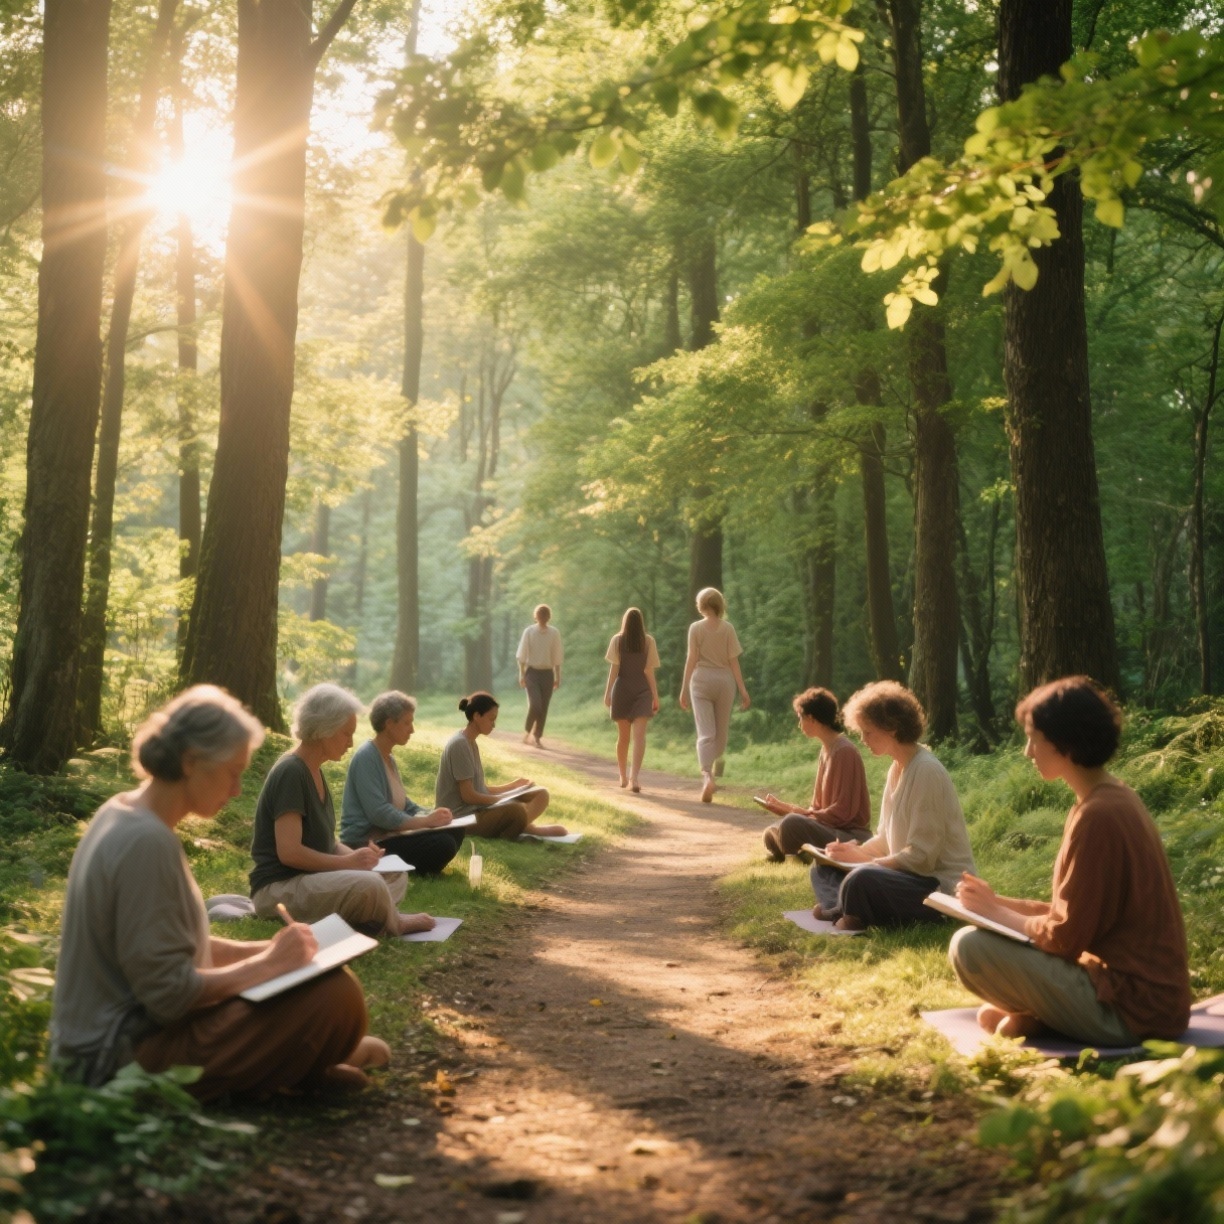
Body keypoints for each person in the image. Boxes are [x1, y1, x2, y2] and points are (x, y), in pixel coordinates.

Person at [49, 685, 387, 1100]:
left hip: (129, 1038)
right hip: (115, 1058)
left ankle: (298, 1063)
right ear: (190, 761)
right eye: (232, 772)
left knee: (328, 988)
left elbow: (174, 946)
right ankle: (296, 1066)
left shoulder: (123, 813)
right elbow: (170, 996)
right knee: (334, 997)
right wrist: (267, 964)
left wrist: (274, 951)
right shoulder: (145, 841)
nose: (237, 789)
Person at [949, 677, 1190, 1044]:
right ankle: (1043, 1020)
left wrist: (996, 913)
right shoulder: (1106, 799)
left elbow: (1064, 938)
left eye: (1034, 739)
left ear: (1066, 741)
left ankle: (1054, 1019)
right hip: (1130, 995)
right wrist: (994, 903)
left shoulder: (1100, 815)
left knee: (970, 947)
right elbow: (1073, 915)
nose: (1028, 752)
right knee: (977, 939)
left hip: (1134, 1010)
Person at [250, 684, 435, 937]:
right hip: (279, 888)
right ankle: (392, 922)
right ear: (323, 730)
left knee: (393, 875)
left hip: (309, 879)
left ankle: (369, 915)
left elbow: (327, 843)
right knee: (370, 885)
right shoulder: (291, 772)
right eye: (346, 734)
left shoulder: (314, 771)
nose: (350, 743)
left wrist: (361, 859)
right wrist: (347, 863)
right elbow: (289, 852)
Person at [810, 681, 975, 931]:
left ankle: (844, 907)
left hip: (936, 887)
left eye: (868, 732)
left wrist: (867, 863)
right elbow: (885, 839)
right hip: (905, 875)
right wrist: (852, 852)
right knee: (822, 868)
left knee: (863, 878)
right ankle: (847, 907)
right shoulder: (895, 769)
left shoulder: (926, 771)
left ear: (893, 729)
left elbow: (921, 857)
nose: (863, 740)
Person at [340, 691, 463, 875]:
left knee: (455, 829)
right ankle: (417, 869)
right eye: (407, 723)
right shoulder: (366, 757)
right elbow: (379, 813)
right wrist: (424, 822)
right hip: (369, 843)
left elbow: (404, 804)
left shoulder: (388, 757)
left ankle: (419, 866)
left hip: (390, 836)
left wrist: (433, 815)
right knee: (443, 844)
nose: (412, 730)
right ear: (389, 724)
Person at [436, 692, 567, 838]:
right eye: (491, 719)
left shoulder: (470, 743)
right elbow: (468, 796)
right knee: (516, 810)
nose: (494, 725)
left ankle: (522, 826)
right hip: (461, 819)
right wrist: (504, 799)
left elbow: (480, 789)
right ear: (477, 716)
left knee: (540, 793)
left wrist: (513, 787)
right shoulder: (459, 745)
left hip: (477, 811)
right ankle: (527, 828)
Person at [760, 687, 871, 860]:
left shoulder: (845, 751)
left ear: (812, 719)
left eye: (801, 718)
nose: (799, 725)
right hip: (828, 827)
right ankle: (802, 851)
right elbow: (817, 809)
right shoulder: (826, 750)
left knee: (791, 824)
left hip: (849, 834)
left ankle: (801, 853)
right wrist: (785, 808)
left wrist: (795, 812)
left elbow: (843, 812)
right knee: (771, 832)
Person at [679, 587, 751, 803]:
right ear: (720, 605)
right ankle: (713, 771)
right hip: (724, 682)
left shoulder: (695, 628)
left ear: (701, 606)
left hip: (701, 680)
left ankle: (707, 775)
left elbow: (691, 659)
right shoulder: (728, 629)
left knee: (705, 732)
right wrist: (743, 690)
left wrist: (683, 688)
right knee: (721, 734)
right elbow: (734, 662)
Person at [603, 607, 661, 793]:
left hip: (622, 690)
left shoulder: (617, 640)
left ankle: (628, 777)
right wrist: (655, 695)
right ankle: (629, 777)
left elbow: (614, 670)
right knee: (638, 737)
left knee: (624, 737)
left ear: (625, 622)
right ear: (641, 623)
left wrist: (608, 693)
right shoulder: (648, 641)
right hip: (642, 691)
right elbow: (649, 671)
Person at [516, 603, 563, 747]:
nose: (543, 618)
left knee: (544, 706)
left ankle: (537, 737)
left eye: (545, 615)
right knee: (535, 705)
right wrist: (522, 675)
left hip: (547, 674)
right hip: (532, 673)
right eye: (540, 615)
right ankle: (527, 732)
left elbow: (557, 656)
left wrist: (557, 677)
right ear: (536, 617)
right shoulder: (529, 632)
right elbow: (522, 655)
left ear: (548, 617)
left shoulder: (554, 633)